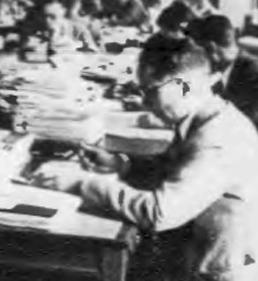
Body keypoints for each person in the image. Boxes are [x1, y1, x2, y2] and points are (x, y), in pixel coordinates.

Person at [36, 35, 258, 281]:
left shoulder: (217, 139)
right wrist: (121, 164)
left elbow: (159, 213)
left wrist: (80, 183)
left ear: (184, 85)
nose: (145, 101)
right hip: (196, 254)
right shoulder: (207, 118)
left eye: (151, 90)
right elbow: (173, 169)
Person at [188, 15, 258, 127]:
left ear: (212, 48)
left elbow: (235, 121)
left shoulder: (253, 73)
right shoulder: (226, 71)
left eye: (197, 53)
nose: (195, 59)